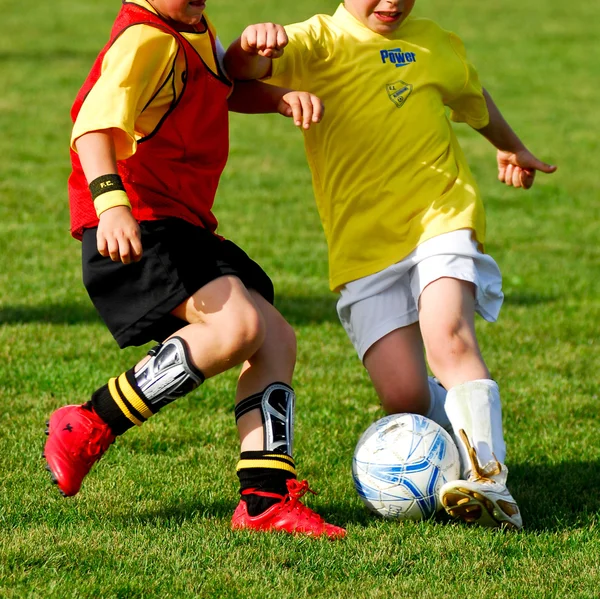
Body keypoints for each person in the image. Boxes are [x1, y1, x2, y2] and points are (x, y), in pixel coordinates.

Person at [224, 0, 558, 530]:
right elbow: (233, 77)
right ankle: (463, 420)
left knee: (447, 335)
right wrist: (249, 46)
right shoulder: (315, 41)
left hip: (441, 215)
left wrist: (512, 147)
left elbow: (474, 100)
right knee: (401, 393)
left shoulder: (433, 43)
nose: (391, 2)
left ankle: (489, 478)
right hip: (362, 245)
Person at [42, 0, 346, 539]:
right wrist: (112, 205)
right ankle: (88, 422)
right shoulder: (145, 38)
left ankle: (264, 502)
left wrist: (276, 97)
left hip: (182, 223)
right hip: (139, 221)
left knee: (275, 338)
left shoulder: (188, 26)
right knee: (238, 328)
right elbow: (91, 123)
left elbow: (220, 85)